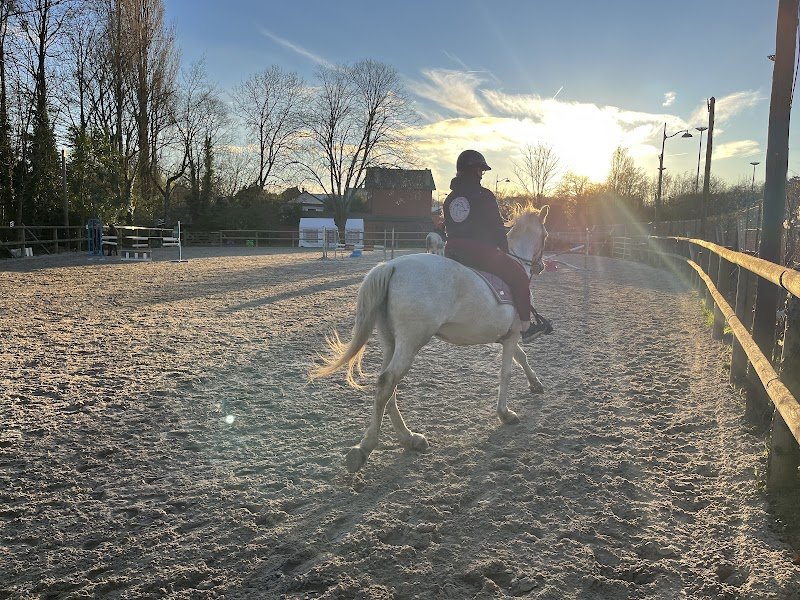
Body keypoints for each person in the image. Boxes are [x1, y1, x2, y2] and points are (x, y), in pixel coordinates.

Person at [443, 149, 552, 343]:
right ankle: (525, 327)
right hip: (479, 252)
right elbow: (495, 226)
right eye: (480, 171)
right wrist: (503, 247)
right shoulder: (484, 195)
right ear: (475, 171)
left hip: (451, 250)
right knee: (519, 276)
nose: (482, 175)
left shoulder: (450, 199)